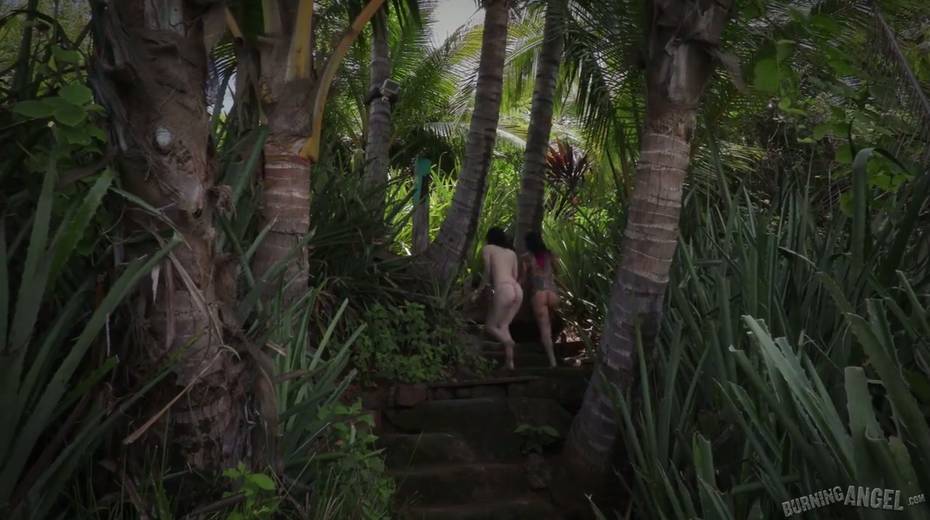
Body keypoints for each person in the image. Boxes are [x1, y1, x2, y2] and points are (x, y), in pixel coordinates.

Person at [472, 227, 523, 370]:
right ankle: (510, 363)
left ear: (489, 238)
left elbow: (487, 273)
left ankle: (508, 343)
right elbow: (515, 275)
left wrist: (478, 291)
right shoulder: (512, 253)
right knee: (504, 325)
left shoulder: (488, 249)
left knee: (490, 326)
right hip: (517, 290)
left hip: (504, 289)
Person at [520, 232, 559, 368]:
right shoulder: (551, 255)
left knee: (545, 328)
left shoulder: (526, 258)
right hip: (553, 294)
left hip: (539, 294)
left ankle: (552, 361)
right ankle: (551, 345)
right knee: (552, 320)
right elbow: (558, 273)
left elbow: (524, 281)